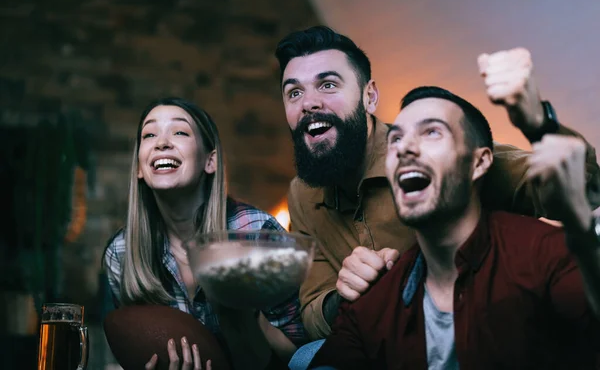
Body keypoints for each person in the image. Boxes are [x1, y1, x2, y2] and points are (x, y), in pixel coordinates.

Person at [275, 26, 600, 343]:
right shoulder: (302, 195)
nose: (309, 103)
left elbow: (585, 189)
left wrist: (539, 123)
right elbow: (313, 313)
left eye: (328, 85)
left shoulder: (443, 157)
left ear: (369, 96)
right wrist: (345, 296)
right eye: (294, 92)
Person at [307, 85, 600, 369]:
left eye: (432, 132)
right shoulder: (375, 301)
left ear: (479, 162)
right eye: (395, 139)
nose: (405, 147)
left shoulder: (549, 256)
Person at [103, 97, 305, 370]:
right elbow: (135, 342)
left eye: (180, 132)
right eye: (149, 134)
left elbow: (303, 352)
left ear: (210, 161)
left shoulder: (257, 233)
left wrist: (245, 315)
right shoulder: (121, 253)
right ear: (139, 168)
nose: (161, 142)